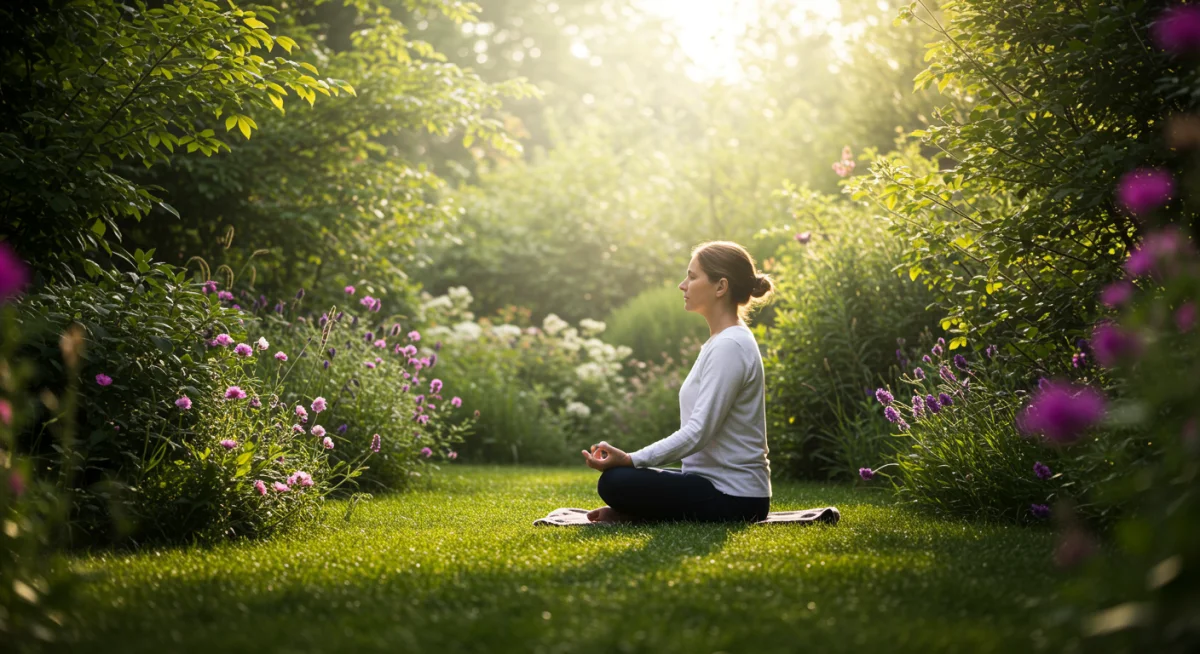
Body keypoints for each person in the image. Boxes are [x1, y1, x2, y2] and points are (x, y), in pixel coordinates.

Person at [581, 240, 774, 524]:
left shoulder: (730, 345)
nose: (682, 285)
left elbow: (698, 433)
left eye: (692, 277)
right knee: (620, 479)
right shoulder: (719, 342)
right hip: (708, 485)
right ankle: (634, 513)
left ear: (720, 287)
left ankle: (637, 513)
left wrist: (630, 459)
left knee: (616, 481)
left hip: (736, 497)